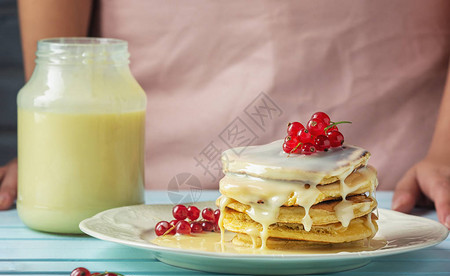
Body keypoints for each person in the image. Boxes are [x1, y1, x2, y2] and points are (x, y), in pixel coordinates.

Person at [1, 0, 449, 229]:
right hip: (143, 184)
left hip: (405, 175)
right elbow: (61, 61)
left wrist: (445, 149)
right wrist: (49, 144)